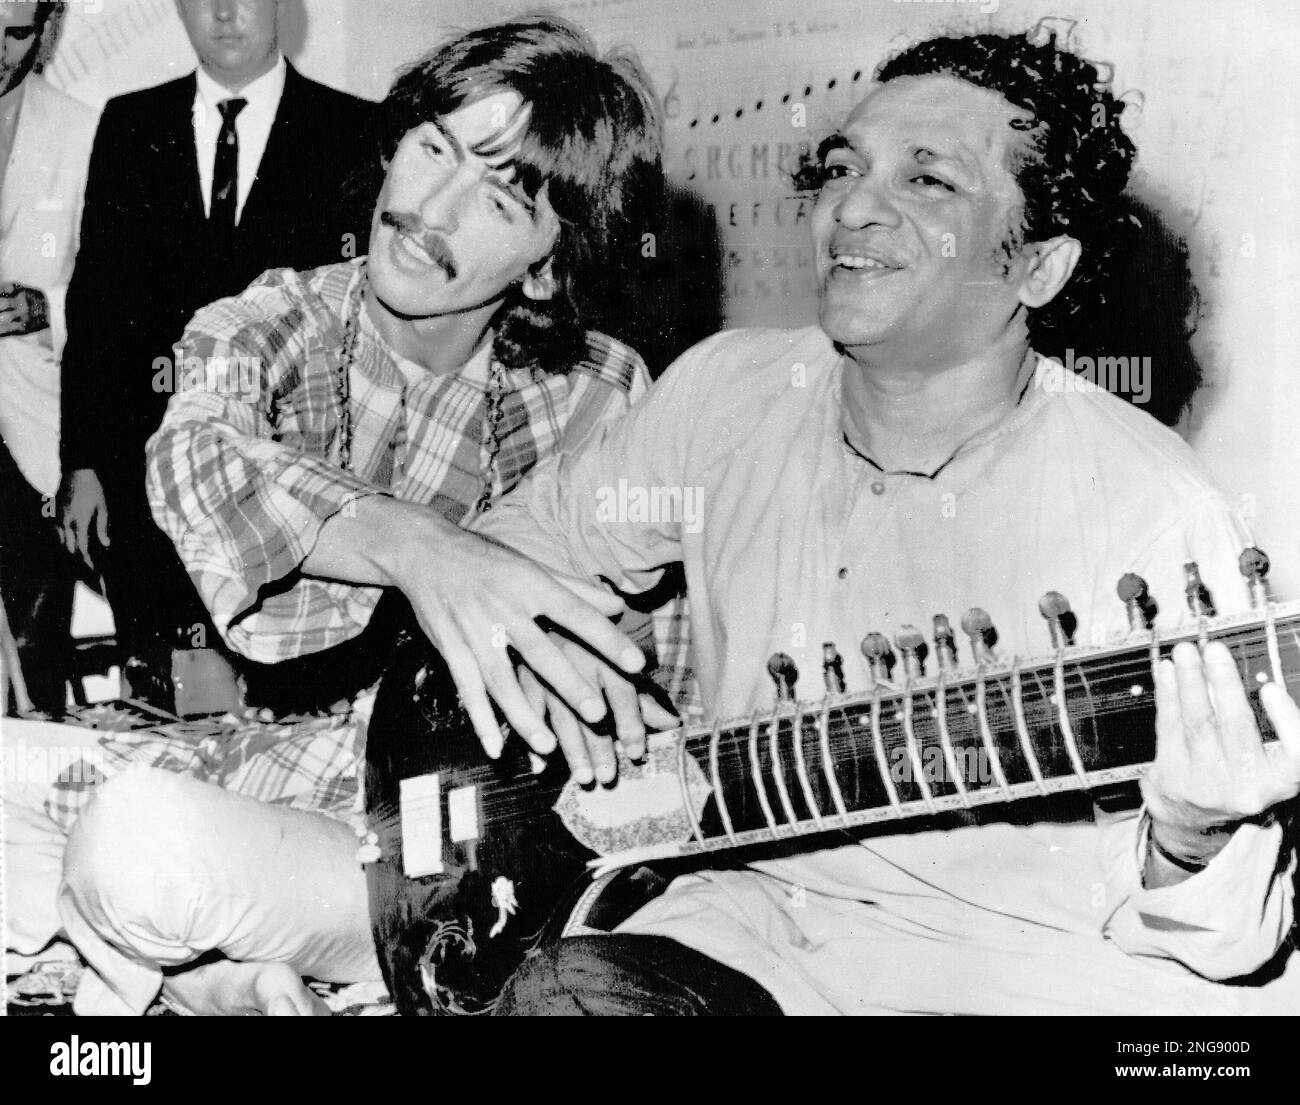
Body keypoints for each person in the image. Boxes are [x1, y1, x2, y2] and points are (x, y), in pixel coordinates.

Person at [461, 30, 1300, 1014]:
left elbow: (1231, 949)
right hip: (752, 925)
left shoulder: (1152, 515)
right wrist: (545, 662)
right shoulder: (732, 392)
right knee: (558, 996)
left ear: (1036, 266)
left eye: (929, 181)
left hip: (1013, 971)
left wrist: (1190, 837)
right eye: (844, 167)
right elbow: (520, 544)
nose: (853, 206)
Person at [41, 15, 668, 1015]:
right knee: (108, 819)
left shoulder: (602, 394)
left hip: (469, 847)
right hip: (270, 778)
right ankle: (249, 974)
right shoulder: (263, 323)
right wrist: (429, 551)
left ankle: (230, 974)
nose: (431, 208)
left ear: (549, 263)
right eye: (433, 148)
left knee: (133, 850)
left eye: (501, 195)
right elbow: (201, 462)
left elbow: (648, 671)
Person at [55, 0, 379, 707]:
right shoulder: (130, 125)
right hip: (146, 489)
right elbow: (96, 307)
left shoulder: (354, 131)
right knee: (167, 718)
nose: (225, 12)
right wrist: (81, 459)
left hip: (290, 491)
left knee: (283, 712)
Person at [0, 0, 97, 716]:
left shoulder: (81, 131)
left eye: (15, 34)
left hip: (29, 432)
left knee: (34, 662)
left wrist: (48, 307)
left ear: (49, 29)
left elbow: (120, 290)